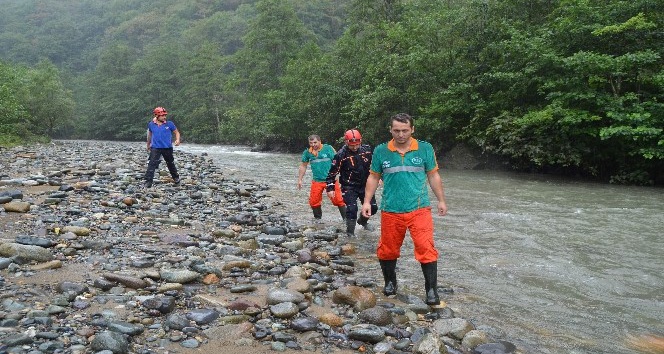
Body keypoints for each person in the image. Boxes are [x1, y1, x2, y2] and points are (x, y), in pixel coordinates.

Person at [361, 113, 448, 305]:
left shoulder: (425, 148)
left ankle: (431, 291)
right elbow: (374, 177)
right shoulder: (381, 151)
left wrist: (441, 200)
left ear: (412, 130)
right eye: (397, 130)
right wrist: (367, 201)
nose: (401, 134)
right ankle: (390, 283)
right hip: (391, 209)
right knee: (387, 250)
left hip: (419, 208)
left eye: (405, 130)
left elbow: (433, 176)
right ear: (391, 130)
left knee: (426, 248)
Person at [325, 129, 378, 236]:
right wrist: (330, 188)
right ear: (346, 142)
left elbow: (375, 165)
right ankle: (350, 233)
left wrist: (379, 176)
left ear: (360, 141)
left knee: (373, 207)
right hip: (348, 186)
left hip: (365, 185)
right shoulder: (340, 155)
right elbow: (332, 173)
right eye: (352, 145)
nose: (354, 147)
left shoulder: (367, 150)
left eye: (357, 144)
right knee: (352, 209)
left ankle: (362, 222)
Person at [297, 135, 346, 221]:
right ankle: (318, 220)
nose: (313, 145)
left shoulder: (328, 149)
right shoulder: (307, 152)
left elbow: (339, 161)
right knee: (313, 201)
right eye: (311, 143)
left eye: (315, 142)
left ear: (320, 141)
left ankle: (346, 220)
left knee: (338, 200)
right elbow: (303, 166)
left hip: (331, 180)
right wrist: (300, 179)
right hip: (317, 181)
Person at [144, 106, 181, 188]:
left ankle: (176, 178)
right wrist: (148, 144)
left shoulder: (169, 124)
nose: (164, 117)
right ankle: (148, 182)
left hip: (167, 147)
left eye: (165, 115)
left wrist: (178, 140)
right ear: (157, 116)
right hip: (155, 147)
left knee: (170, 163)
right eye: (162, 115)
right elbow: (150, 135)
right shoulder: (151, 124)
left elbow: (177, 132)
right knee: (152, 164)